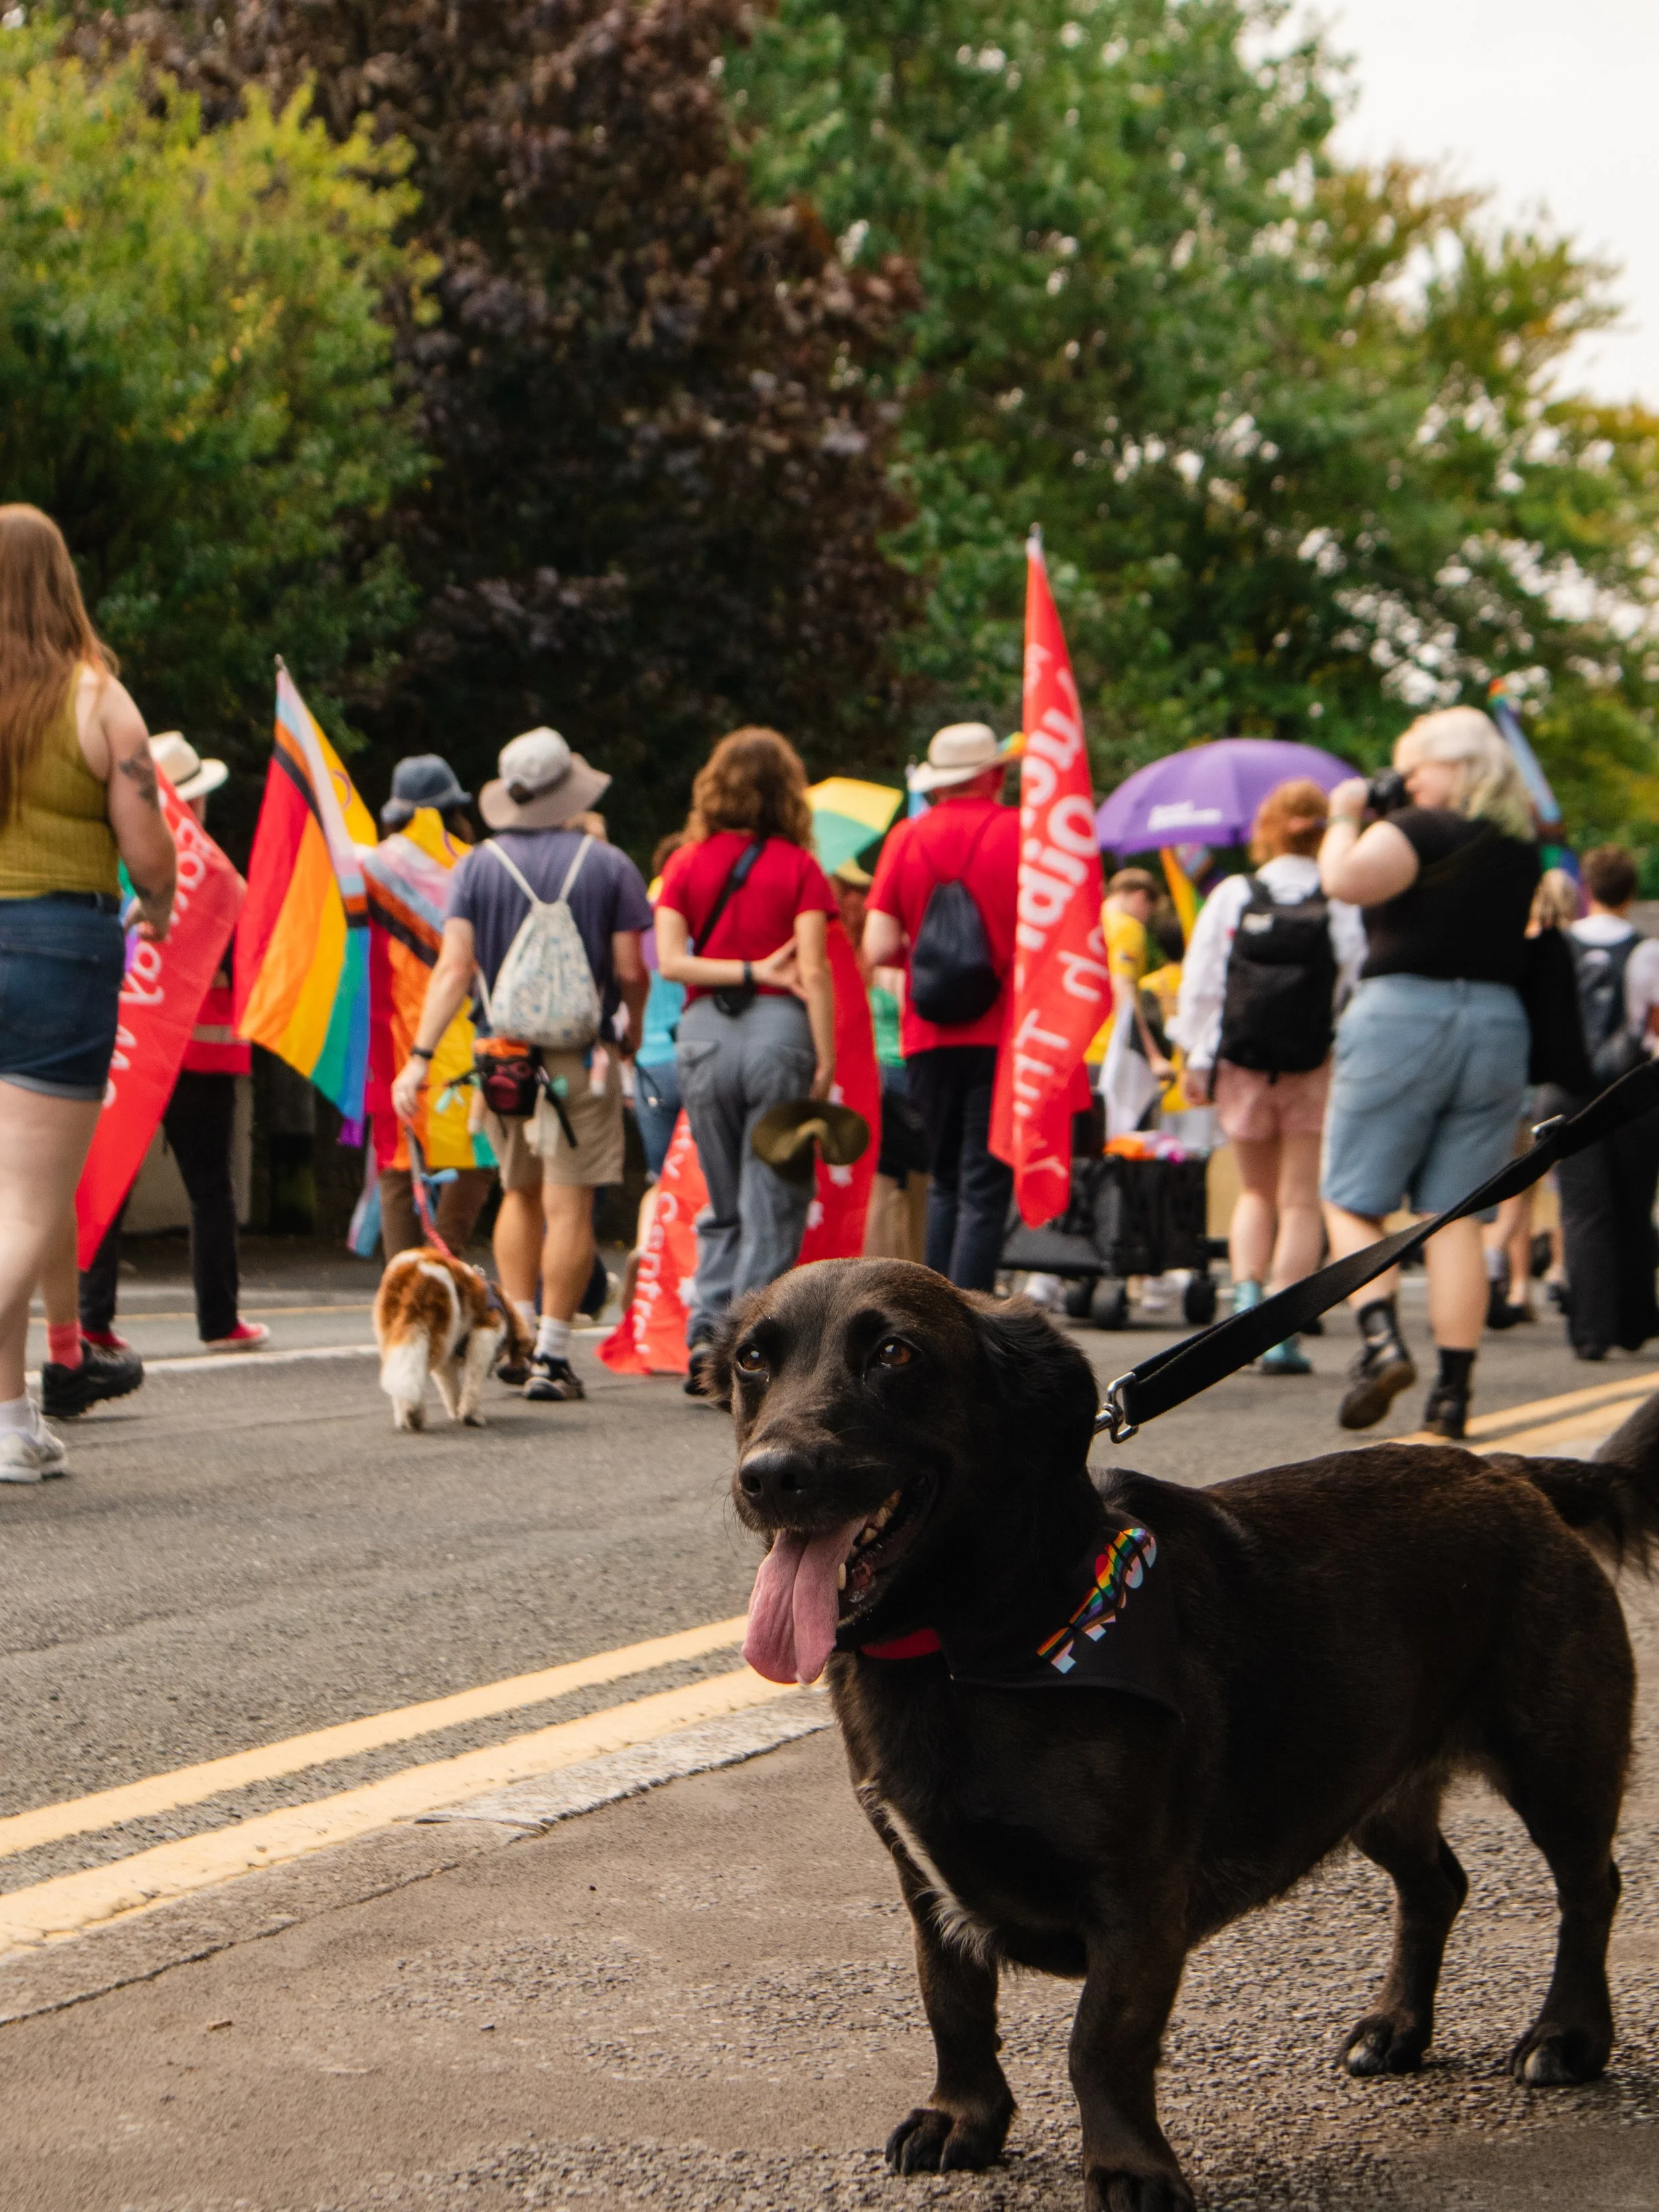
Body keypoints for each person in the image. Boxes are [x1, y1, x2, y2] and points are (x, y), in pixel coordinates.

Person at [392, 727, 651, 1404]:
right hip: (578, 1062)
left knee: (520, 1193)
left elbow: (453, 969)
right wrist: (632, 1030)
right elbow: (630, 969)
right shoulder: (609, 865)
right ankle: (554, 1357)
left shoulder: (476, 867)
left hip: (501, 1061)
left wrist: (420, 1059)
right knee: (572, 1203)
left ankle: (518, 1333)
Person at [0, 504, 175, 1479]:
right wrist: (156, 901)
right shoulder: (98, 699)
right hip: (58, 951)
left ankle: (13, 1420)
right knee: (27, 1204)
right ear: (62, 583)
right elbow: (150, 850)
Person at [1319, 705, 1540, 1439]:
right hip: (1497, 1026)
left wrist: (1343, 817)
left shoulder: (1415, 829)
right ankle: (1452, 1397)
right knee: (1454, 1216)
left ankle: (1381, 1342)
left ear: (1460, 766)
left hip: (1401, 1018)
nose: (1409, 778)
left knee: (1350, 1196)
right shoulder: (1518, 844)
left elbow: (1346, 882)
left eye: (1420, 765)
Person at [656, 727, 837, 1391]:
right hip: (779, 1033)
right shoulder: (800, 868)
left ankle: (706, 1331)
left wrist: (733, 968)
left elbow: (671, 960)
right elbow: (813, 970)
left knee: (723, 1194)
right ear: (788, 792)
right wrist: (824, 1054)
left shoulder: (685, 863)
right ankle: (750, 1350)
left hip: (702, 1032)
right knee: (775, 1197)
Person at [79, 733, 271, 1357]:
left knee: (110, 1174)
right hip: (205, 1055)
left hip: (129, 1047)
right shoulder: (219, 880)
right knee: (210, 1187)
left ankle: (91, 1320)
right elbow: (250, 969)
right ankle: (219, 1321)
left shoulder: (114, 863)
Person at [1175, 780, 1364, 1374]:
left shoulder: (1233, 893)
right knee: (1301, 1198)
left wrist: (1196, 1059)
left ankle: (1247, 1301)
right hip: (1314, 1062)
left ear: (1268, 827)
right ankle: (1283, 1331)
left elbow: (1203, 985)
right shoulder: (1338, 896)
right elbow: (1354, 979)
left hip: (1242, 1061)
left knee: (1255, 1191)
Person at [865, 723, 1018, 1290]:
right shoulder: (1025, 833)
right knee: (984, 1184)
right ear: (995, 774)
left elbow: (878, 946)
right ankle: (973, 1323)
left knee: (945, 1180)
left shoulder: (907, 838)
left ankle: (933, 1323)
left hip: (926, 1036)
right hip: (1003, 1035)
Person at [369, 754, 497, 1261]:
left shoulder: (371, 866)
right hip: (464, 1025)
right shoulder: (478, 866)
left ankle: (404, 1279)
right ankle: (445, 1260)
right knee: (476, 1152)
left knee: (399, 1159)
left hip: (393, 1027)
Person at [1546, 844, 1659, 1360]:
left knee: (1582, 1211)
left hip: (1565, 1092)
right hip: (1632, 1093)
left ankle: (1589, 1330)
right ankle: (1635, 1321)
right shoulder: (1646, 950)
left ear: (1587, 888)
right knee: (1634, 1206)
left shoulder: (1555, 947)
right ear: (1631, 892)